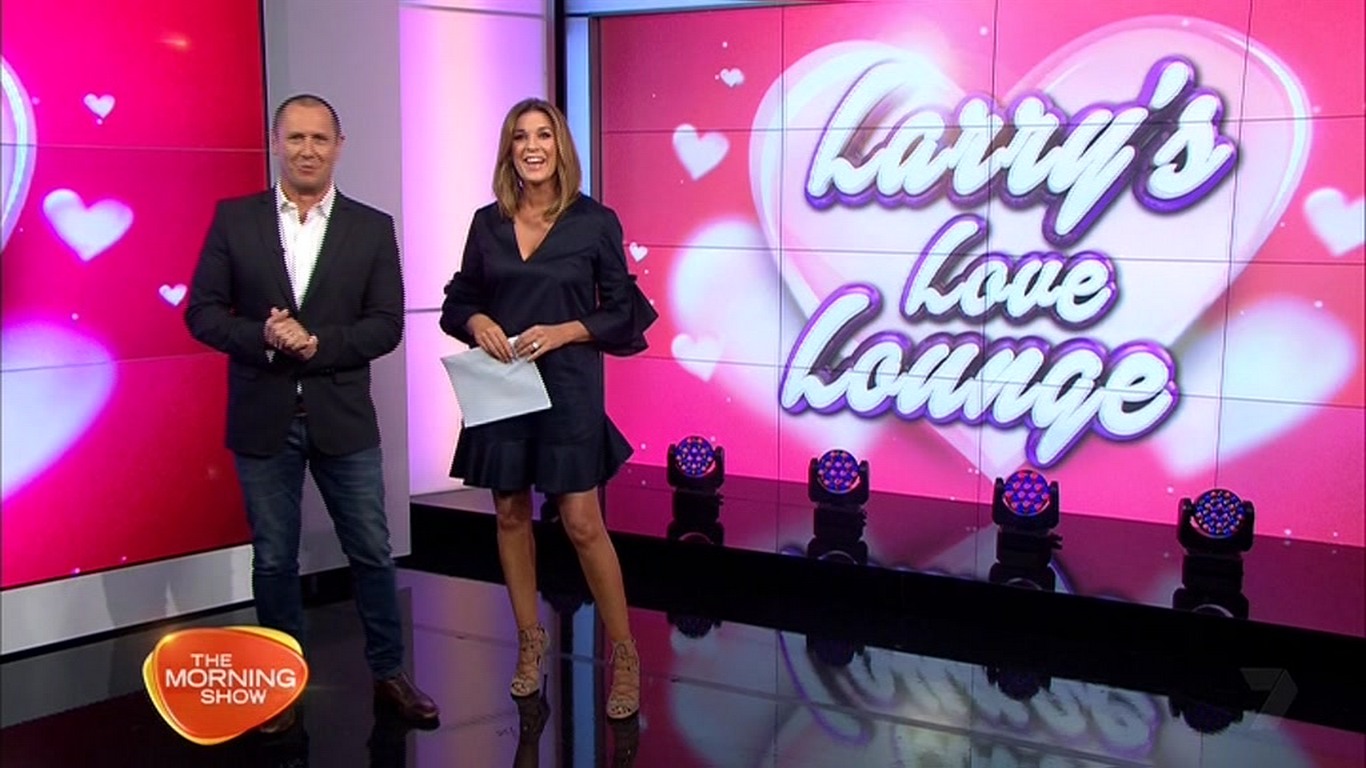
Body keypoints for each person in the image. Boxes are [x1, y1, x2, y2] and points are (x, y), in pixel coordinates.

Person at [185, 94, 439, 732]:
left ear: (338, 146)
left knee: (372, 551)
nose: (307, 150)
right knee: (274, 557)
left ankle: (389, 672)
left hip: (342, 417)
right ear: (276, 143)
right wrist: (264, 337)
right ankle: (281, 683)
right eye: (295, 137)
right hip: (263, 416)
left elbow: (385, 325)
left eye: (319, 139)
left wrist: (318, 343)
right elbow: (203, 313)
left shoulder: (371, 227)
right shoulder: (235, 220)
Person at [439, 98, 653, 720]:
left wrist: (565, 331)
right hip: (504, 387)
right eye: (520, 137)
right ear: (508, 150)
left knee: (582, 521)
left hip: (567, 386)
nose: (532, 146)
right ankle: (530, 642)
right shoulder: (487, 223)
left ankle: (625, 654)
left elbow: (623, 310)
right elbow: (459, 300)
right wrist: (476, 320)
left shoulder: (594, 221)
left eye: (543, 135)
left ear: (560, 146)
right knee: (510, 514)